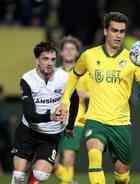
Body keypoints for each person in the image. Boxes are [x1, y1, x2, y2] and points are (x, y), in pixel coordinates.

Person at [55, 12, 140, 184]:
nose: (118, 35)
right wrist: (65, 101)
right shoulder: (89, 56)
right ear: (105, 31)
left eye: (122, 31)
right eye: (114, 30)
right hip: (96, 120)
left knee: (122, 173)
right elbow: (74, 75)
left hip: (121, 123)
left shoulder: (132, 58)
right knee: (94, 156)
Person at [10, 41, 76, 184]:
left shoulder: (64, 77)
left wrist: (70, 125)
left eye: (53, 59)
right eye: (45, 59)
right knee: (18, 176)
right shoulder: (27, 79)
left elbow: (75, 100)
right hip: (28, 131)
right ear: (37, 61)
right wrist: (51, 116)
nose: (50, 63)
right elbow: (29, 115)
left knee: (41, 174)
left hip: (50, 136)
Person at [55, 36, 89, 184]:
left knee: (68, 157)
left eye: (72, 49)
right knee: (49, 161)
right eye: (66, 49)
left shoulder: (85, 73)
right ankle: (68, 180)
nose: (69, 51)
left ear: (77, 53)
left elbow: (97, 93)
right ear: (61, 53)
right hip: (55, 120)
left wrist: (85, 95)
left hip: (76, 120)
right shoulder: (53, 74)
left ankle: (66, 181)